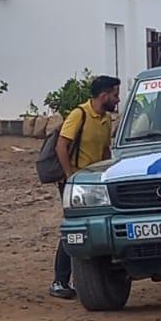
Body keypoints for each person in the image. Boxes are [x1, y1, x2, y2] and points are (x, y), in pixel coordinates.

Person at [50, 75, 121, 299]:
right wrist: (70, 176)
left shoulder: (105, 120)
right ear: (104, 95)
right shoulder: (79, 115)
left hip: (96, 183)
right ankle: (60, 281)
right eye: (115, 95)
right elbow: (61, 146)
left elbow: (105, 151)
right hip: (75, 183)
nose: (117, 100)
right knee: (75, 229)